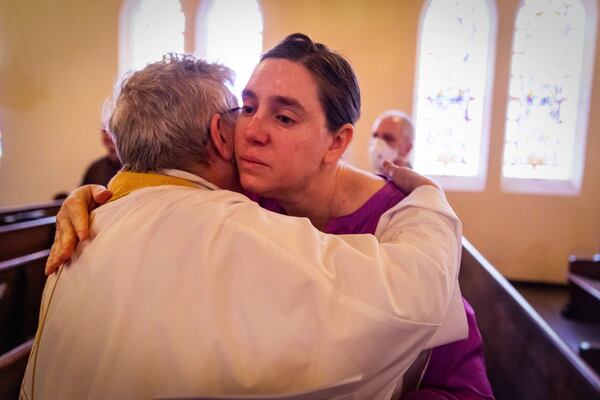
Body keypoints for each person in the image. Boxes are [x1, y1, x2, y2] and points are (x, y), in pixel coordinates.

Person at [46, 34, 492, 398]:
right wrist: (106, 196)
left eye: (283, 117)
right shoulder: (243, 200)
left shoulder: (397, 223)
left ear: (336, 143)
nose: (252, 131)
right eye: (247, 106)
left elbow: (458, 382)